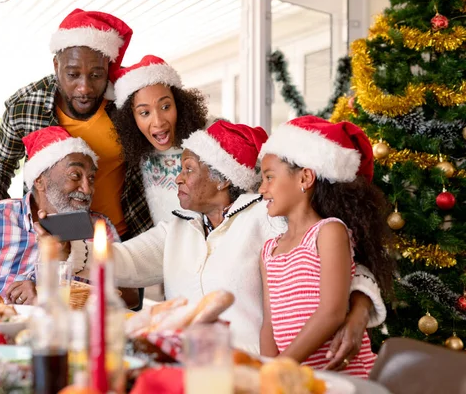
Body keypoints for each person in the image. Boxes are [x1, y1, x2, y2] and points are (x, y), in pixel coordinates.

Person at [52, 120, 387, 362]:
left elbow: (338, 263)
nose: (177, 179)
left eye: (188, 169)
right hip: (190, 369)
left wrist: (358, 311)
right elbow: (120, 259)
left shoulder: (267, 216)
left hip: (250, 368)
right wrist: (66, 242)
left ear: (223, 179)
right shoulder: (179, 228)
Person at [0, 9, 153, 240]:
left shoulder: (127, 104)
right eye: (73, 74)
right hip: (49, 236)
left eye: (96, 75)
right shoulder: (26, 105)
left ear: (108, 66)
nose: (84, 88)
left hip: (121, 237)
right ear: (56, 66)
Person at [258, 116, 395, 378]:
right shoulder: (268, 251)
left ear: (305, 178)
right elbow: (269, 324)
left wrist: (279, 368)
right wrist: (266, 372)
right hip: (296, 380)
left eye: (269, 177)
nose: (262, 188)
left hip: (342, 379)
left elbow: (331, 313)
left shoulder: (329, 232)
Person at [0, 126, 118, 303]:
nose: (87, 189)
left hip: (56, 331)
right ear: (39, 181)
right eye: (75, 175)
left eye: (91, 178)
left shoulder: (100, 230)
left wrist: (45, 293)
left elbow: (126, 296)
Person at [111, 55, 209, 224]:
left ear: (179, 104)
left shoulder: (210, 139)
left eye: (165, 107)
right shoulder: (135, 159)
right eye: (145, 113)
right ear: (131, 118)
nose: (158, 122)